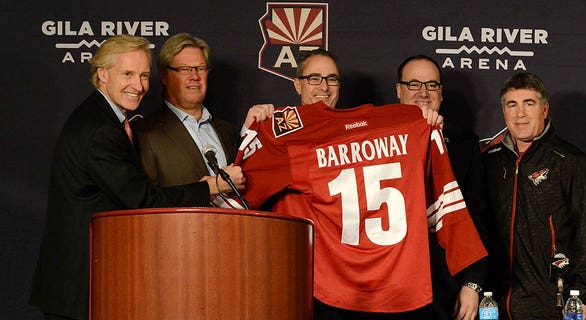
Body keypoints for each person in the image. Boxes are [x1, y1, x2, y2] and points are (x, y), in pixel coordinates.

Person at [225, 49, 487, 320]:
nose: (324, 87)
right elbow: (239, 192)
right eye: (314, 78)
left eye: (331, 79)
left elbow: (464, 213)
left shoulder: (410, 127)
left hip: (394, 287)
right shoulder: (285, 132)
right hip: (320, 285)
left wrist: (472, 279)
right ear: (298, 83)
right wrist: (255, 132)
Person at [30, 34, 245, 320]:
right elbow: (141, 199)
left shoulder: (104, 118)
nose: (139, 85)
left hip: (88, 282)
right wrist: (209, 188)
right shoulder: (100, 129)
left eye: (143, 75)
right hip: (81, 286)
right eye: (128, 74)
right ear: (102, 74)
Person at [481, 72, 586, 320]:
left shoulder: (570, 162)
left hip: (552, 304)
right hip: (493, 304)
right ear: (504, 111)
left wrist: (581, 297)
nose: (520, 114)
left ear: (545, 109)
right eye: (512, 105)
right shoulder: (489, 161)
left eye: (529, 103)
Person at [396, 55, 489, 320]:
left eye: (431, 85)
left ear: (441, 92)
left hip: (443, 285)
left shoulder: (463, 143)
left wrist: (472, 284)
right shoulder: (374, 136)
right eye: (413, 84)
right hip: (386, 287)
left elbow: (476, 217)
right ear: (398, 90)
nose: (423, 93)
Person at [134, 33, 239, 186]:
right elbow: (146, 202)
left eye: (201, 68)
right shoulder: (144, 134)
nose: (194, 76)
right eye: (184, 69)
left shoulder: (229, 132)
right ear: (164, 76)